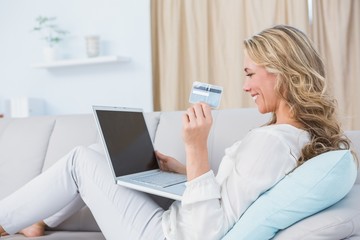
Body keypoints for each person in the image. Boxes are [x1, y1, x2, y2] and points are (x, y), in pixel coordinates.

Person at [0, 25, 354, 239]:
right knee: (98, 154)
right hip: (176, 226)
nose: (245, 86)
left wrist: (196, 148)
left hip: (169, 235)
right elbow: (234, 195)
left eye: (250, 74)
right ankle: (38, 221)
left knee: (80, 159)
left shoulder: (272, 143)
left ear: (281, 72)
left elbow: (205, 232)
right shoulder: (293, 136)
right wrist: (182, 170)